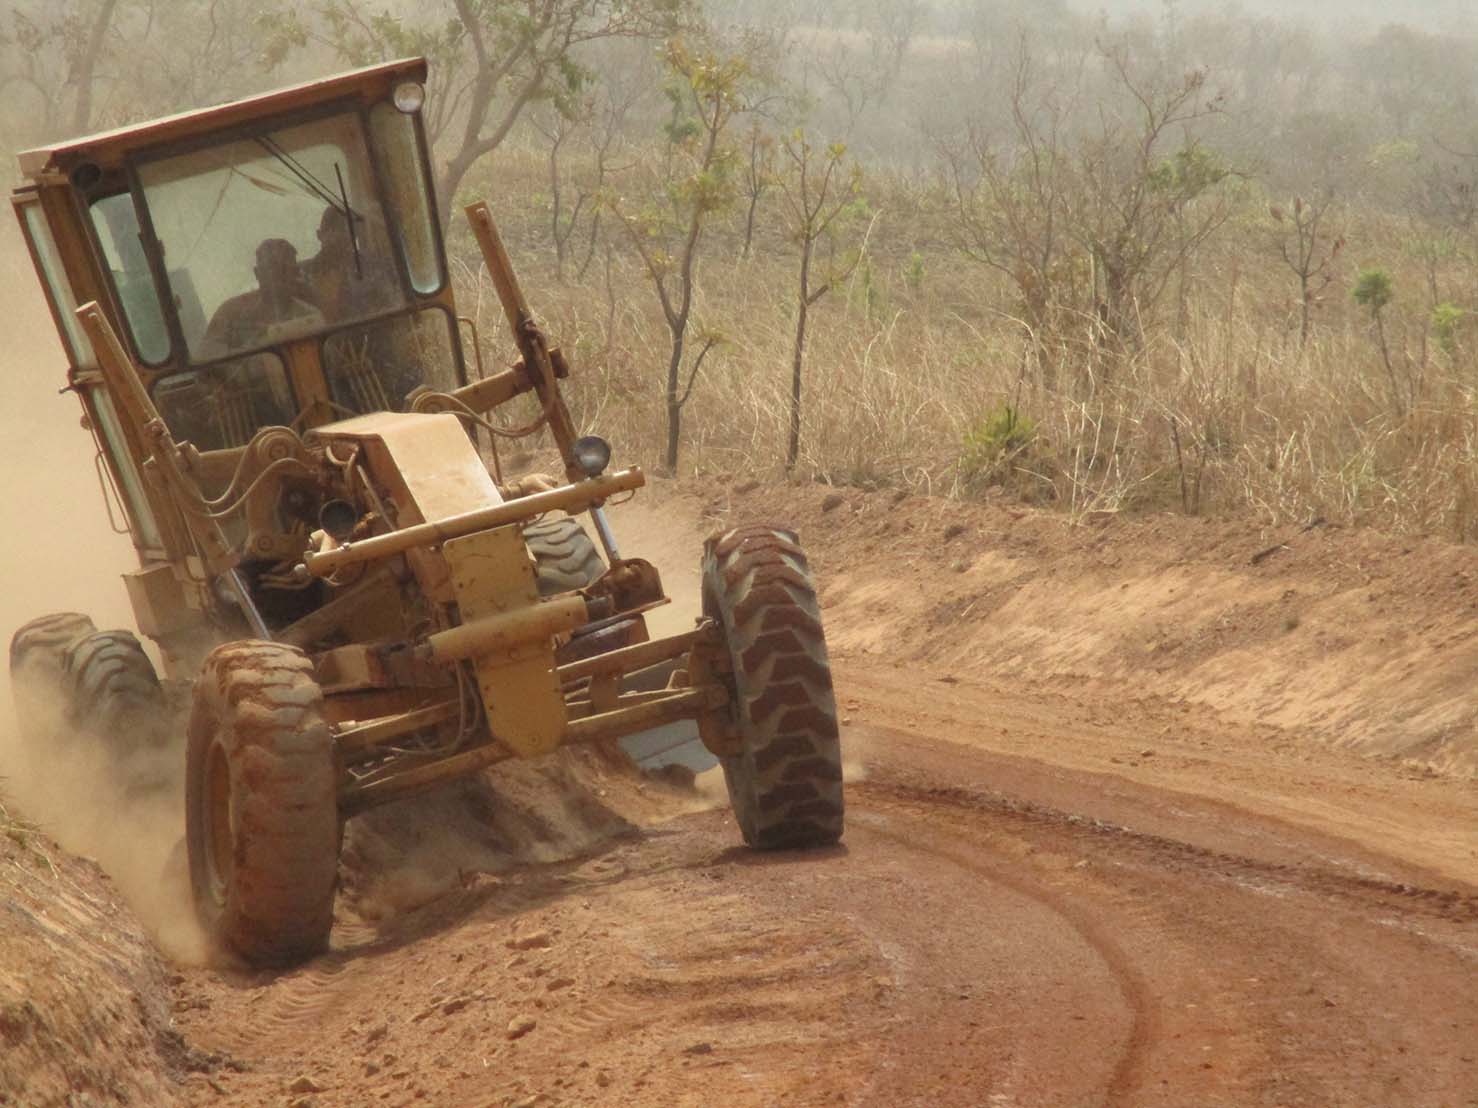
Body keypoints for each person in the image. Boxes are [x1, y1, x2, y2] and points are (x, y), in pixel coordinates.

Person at [203, 238, 324, 355]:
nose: (278, 277)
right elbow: (209, 362)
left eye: (285, 269)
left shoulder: (311, 315)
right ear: (257, 273)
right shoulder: (229, 314)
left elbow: (328, 358)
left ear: (296, 272)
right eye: (272, 269)